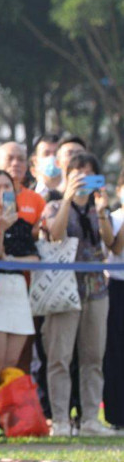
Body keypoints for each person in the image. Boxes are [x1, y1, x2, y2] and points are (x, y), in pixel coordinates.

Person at [41, 151, 114, 436]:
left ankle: (90, 420)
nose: (83, 177)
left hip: (96, 289)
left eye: (88, 172)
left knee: (93, 357)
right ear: (67, 175)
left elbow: (112, 244)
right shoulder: (54, 205)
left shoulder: (100, 208)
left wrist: (103, 210)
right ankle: (60, 419)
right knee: (59, 356)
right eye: (77, 172)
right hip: (63, 289)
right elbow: (55, 234)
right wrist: (68, 199)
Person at [0, 168, 39, 439]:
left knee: (10, 363)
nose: (3, 191)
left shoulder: (22, 223)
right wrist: (1, 231)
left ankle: (6, 415)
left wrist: (11, 260)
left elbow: (34, 259)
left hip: (18, 291)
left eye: (8, 186)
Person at [104, 173, 124, 429]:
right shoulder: (115, 218)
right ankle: (118, 415)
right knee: (117, 353)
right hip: (118, 286)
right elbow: (116, 248)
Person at [30, 133, 63, 199]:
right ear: (35, 161)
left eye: (56, 153)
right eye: (46, 154)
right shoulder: (27, 196)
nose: (52, 157)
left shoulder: (75, 193)